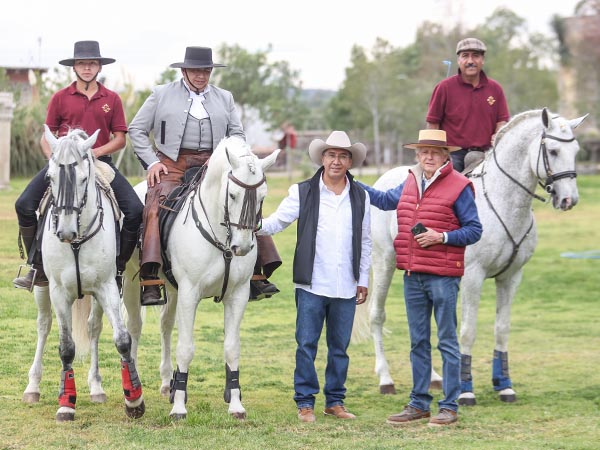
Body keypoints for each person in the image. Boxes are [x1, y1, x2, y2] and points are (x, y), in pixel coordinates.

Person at [129, 46, 281, 306]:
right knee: (153, 206)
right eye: (196, 70)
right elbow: (136, 130)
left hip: (216, 165)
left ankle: (256, 272)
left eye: (206, 70)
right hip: (172, 165)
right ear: (184, 70)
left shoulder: (225, 98)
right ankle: (151, 278)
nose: (201, 75)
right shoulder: (160, 94)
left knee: (247, 197)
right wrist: (152, 162)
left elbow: (238, 135)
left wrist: (226, 156)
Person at [358, 129, 482, 427]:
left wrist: (442, 236)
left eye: (434, 152)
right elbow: (386, 200)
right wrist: (353, 182)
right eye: (423, 151)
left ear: (445, 156)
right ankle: (419, 404)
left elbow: (474, 230)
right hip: (412, 275)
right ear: (417, 155)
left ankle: (449, 407)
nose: (428, 156)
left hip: (443, 277)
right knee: (418, 342)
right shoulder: (411, 182)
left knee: (447, 342)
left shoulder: (460, 186)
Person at [258, 130, 372, 423]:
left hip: (346, 284)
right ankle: (305, 402)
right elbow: (276, 223)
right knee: (306, 344)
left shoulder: (361, 196)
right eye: (331, 155)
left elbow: (366, 240)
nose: (336, 161)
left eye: (342, 156)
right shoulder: (302, 192)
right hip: (311, 282)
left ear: (349, 161)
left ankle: (335, 401)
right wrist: (250, 224)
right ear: (323, 158)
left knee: (339, 348)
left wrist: (363, 279)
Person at [13, 40, 143, 293]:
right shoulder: (60, 98)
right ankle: (36, 266)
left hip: (100, 164)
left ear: (98, 67)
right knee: (24, 204)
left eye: (92, 63)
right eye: (82, 63)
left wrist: (94, 152)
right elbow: (46, 136)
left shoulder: (112, 99)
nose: (87, 68)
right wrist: (56, 160)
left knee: (135, 210)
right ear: (74, 67)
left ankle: (116, 268)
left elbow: (119, 139)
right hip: (63, 165)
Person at [426, 37, 510, 173]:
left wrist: (498, 133)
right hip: (452, 155)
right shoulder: (444, 88)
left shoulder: (495, 89)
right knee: (449, 190)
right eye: (465, 56)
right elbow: (433, 123)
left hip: (486, 154)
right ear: (459, 60)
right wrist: (437, 153)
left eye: (476, 56)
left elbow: (502, 120)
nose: (470, 61)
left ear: (482, 60)